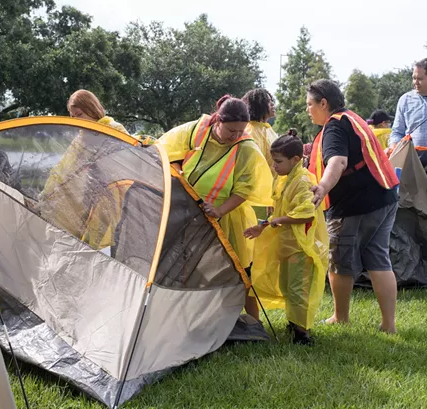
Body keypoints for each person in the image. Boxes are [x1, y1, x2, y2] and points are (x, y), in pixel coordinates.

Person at [157, 95, 273, 319]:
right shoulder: (195, 131)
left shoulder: (246, 148)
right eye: (231, 130)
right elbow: (167, 153)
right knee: (193, 268)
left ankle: (253, 322)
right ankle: (198, 318)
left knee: (240, 271)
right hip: (188, 215)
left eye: (240, 131)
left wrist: (219, 211)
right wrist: (179, 174)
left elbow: (244, 189)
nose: (235, 136)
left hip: (228, 218)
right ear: (218, 120)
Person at [306, 79, 399, 333]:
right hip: (385, 196)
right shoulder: (353, 118)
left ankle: (341, 317)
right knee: (378, 258)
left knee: (339, 260)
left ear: (323, 103)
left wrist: (322, 187)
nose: (308, 110)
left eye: (310, 104)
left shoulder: (334, 127)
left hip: (355, 204)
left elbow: (337, 161)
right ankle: (388, 325)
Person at [244, 134, 328, 345]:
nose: (274, 166)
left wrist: (278, 220)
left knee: (299, 289)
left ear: (295, 159)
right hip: (288, 245)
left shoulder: (303, 181)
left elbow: (306, 214)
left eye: (278, 161)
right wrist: (263, 226)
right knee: (288, 286)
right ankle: (294, 323)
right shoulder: (286, 180)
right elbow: (280, 211)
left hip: (301, 248)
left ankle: (302, 333)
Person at [35, 90, 129, 249]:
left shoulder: (114, 130)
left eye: (79, 114)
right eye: (72, 117)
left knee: (100, 245)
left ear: (92, 109)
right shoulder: (80, 138)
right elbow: (63, 169)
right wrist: (45, 196)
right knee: (80, 244)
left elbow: (127, 163)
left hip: (108, 198)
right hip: (84, 197)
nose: (76, 121)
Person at [389, 58, 427, 168]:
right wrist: (394, 147)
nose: (415, 82)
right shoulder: (405, 100)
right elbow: (397, 132)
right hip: (413, 163)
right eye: (414, 78)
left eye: (420, 79)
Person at [242, 88, 279, 169]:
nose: (272, 104)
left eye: (271, 100)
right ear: (258, 105)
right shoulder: (251, 131)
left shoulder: (266, 128)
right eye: (268, 101)